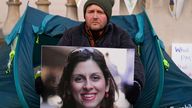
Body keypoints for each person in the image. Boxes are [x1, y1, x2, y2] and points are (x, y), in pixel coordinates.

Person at [57, 0, 145, 104]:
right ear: (85, 15)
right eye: (90, 12)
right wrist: (41, 76)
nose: (95, 16)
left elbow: (135, 61)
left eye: (100, 12)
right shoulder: (71, 34)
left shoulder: (120, 35)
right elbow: (53, 57)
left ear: (107, 15)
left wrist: (136, 83)